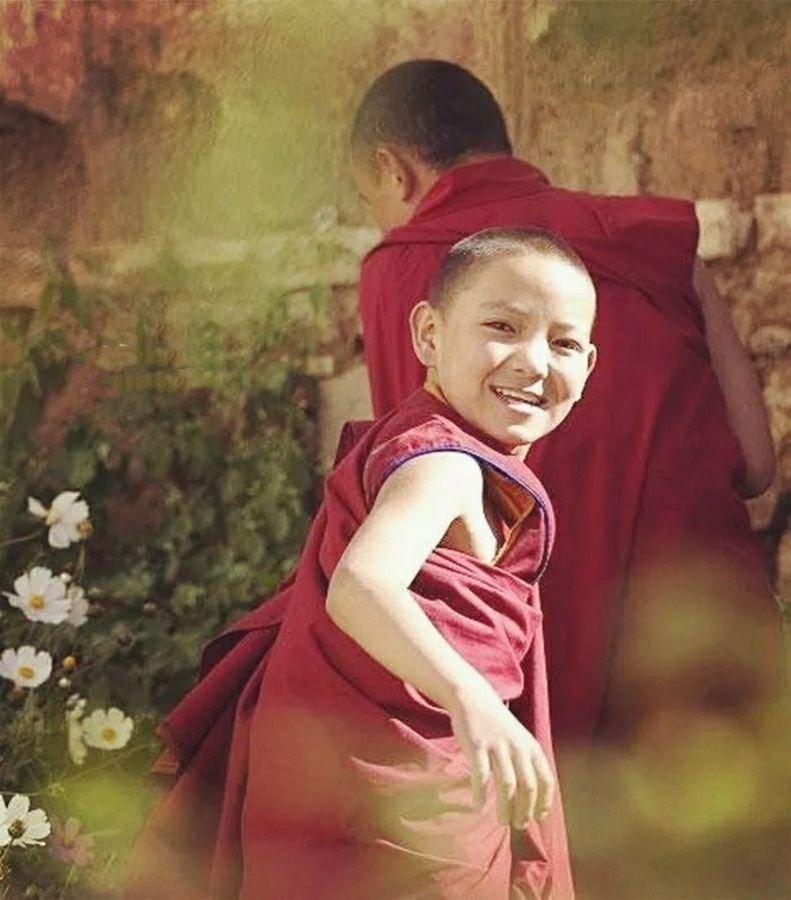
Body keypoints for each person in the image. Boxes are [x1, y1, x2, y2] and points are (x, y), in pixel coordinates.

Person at [126, 228, 596, 899]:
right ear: (428, 334)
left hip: (348, 784)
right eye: (502, 327)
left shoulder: (436, 445)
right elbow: (361, 584)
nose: (533, 362)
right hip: (395, 812)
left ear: (590, 365)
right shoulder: (444, 464)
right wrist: (473, 701)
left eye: (563, 343)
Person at [351, 59, 778, 745]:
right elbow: (756, 463)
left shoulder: (403, 270)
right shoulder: (660, 243)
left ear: (391, 171)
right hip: (707, 644)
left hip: (535, 667)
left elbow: (423, 516)